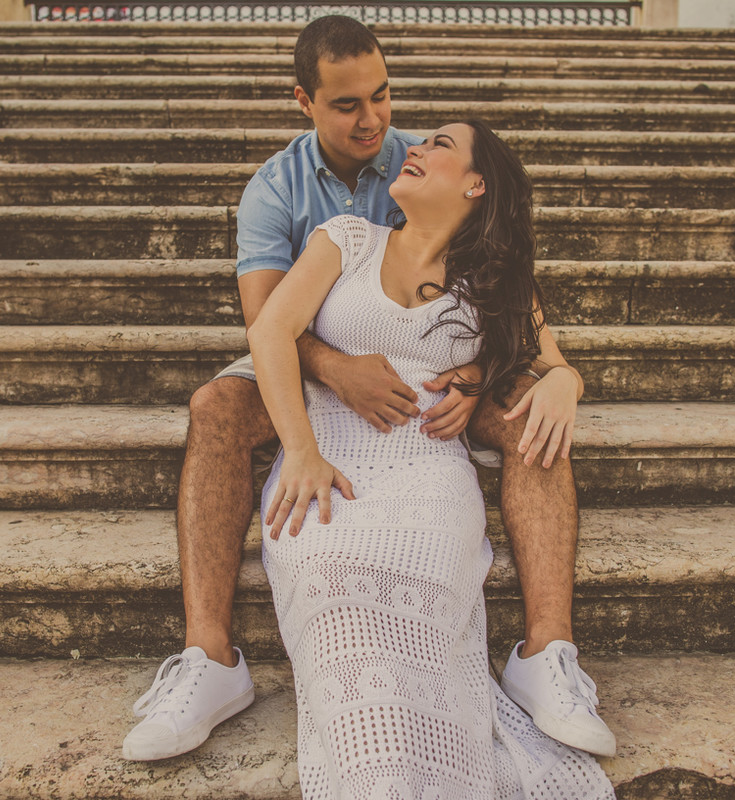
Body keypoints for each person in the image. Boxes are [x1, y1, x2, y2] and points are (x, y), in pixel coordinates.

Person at [122, 15, 614, 763]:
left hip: (431, 389)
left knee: (531, 421)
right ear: (305, 101)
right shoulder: (275, 191)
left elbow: (500, 291)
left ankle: (546, 652)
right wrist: (334, 374)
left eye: (382, 97)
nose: (375, 121)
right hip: (313, 359)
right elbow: (266, 325)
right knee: (215, 405)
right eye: (348, 104)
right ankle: (208, 658)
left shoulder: (422, 160)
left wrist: (508, 377)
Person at [250, 120, 614, 798]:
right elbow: (271, 326)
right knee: (324, 573)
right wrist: (298, 450)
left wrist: (564, 382)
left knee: (425, 576)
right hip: (328, 460)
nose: (415, 146)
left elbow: (554, 364)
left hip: (430, 471)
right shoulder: (347, 240)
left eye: (440, 145)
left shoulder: (494, 280)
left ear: (476, 184)